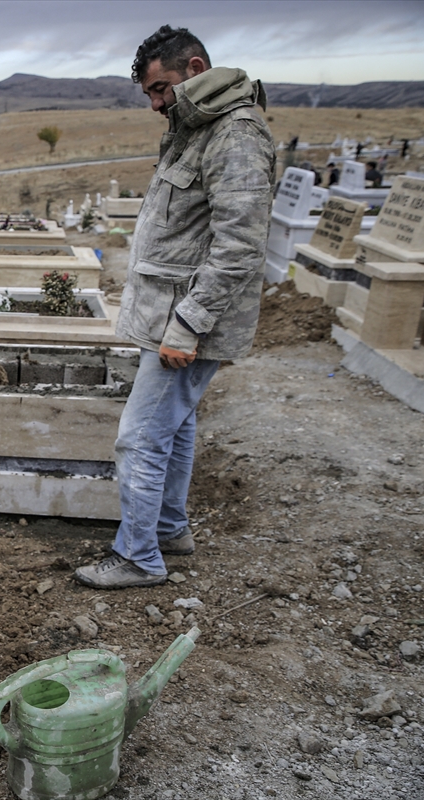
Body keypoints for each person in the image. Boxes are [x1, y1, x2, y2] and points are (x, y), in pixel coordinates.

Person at [74, 25, 275, 589]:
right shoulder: (197, 127)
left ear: (194, 69)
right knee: (176, 429)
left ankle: (138, 557)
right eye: (149, 96)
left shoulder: (234, 134)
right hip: (172, 313)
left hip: (188, 319)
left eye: (161, 89)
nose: (157, 104)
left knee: (138, 437)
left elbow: (240, 246)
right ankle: (167, 529)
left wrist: (188, 324)